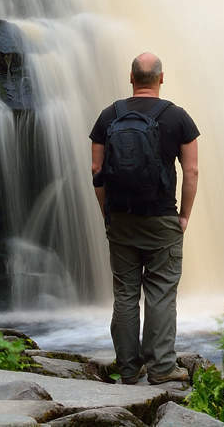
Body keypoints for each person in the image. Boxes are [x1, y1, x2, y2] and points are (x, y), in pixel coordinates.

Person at [90, 51, 200, 385]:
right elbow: (191, 170)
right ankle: (162, 368)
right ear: (161, 79)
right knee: (161, 292)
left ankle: (128, 368)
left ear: (131, 78)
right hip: (162, 218)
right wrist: (184, 216)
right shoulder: (178, 117)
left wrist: (107, 214)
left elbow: (97, 170)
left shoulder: (108, 116)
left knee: (125, 293)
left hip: (121, 218)